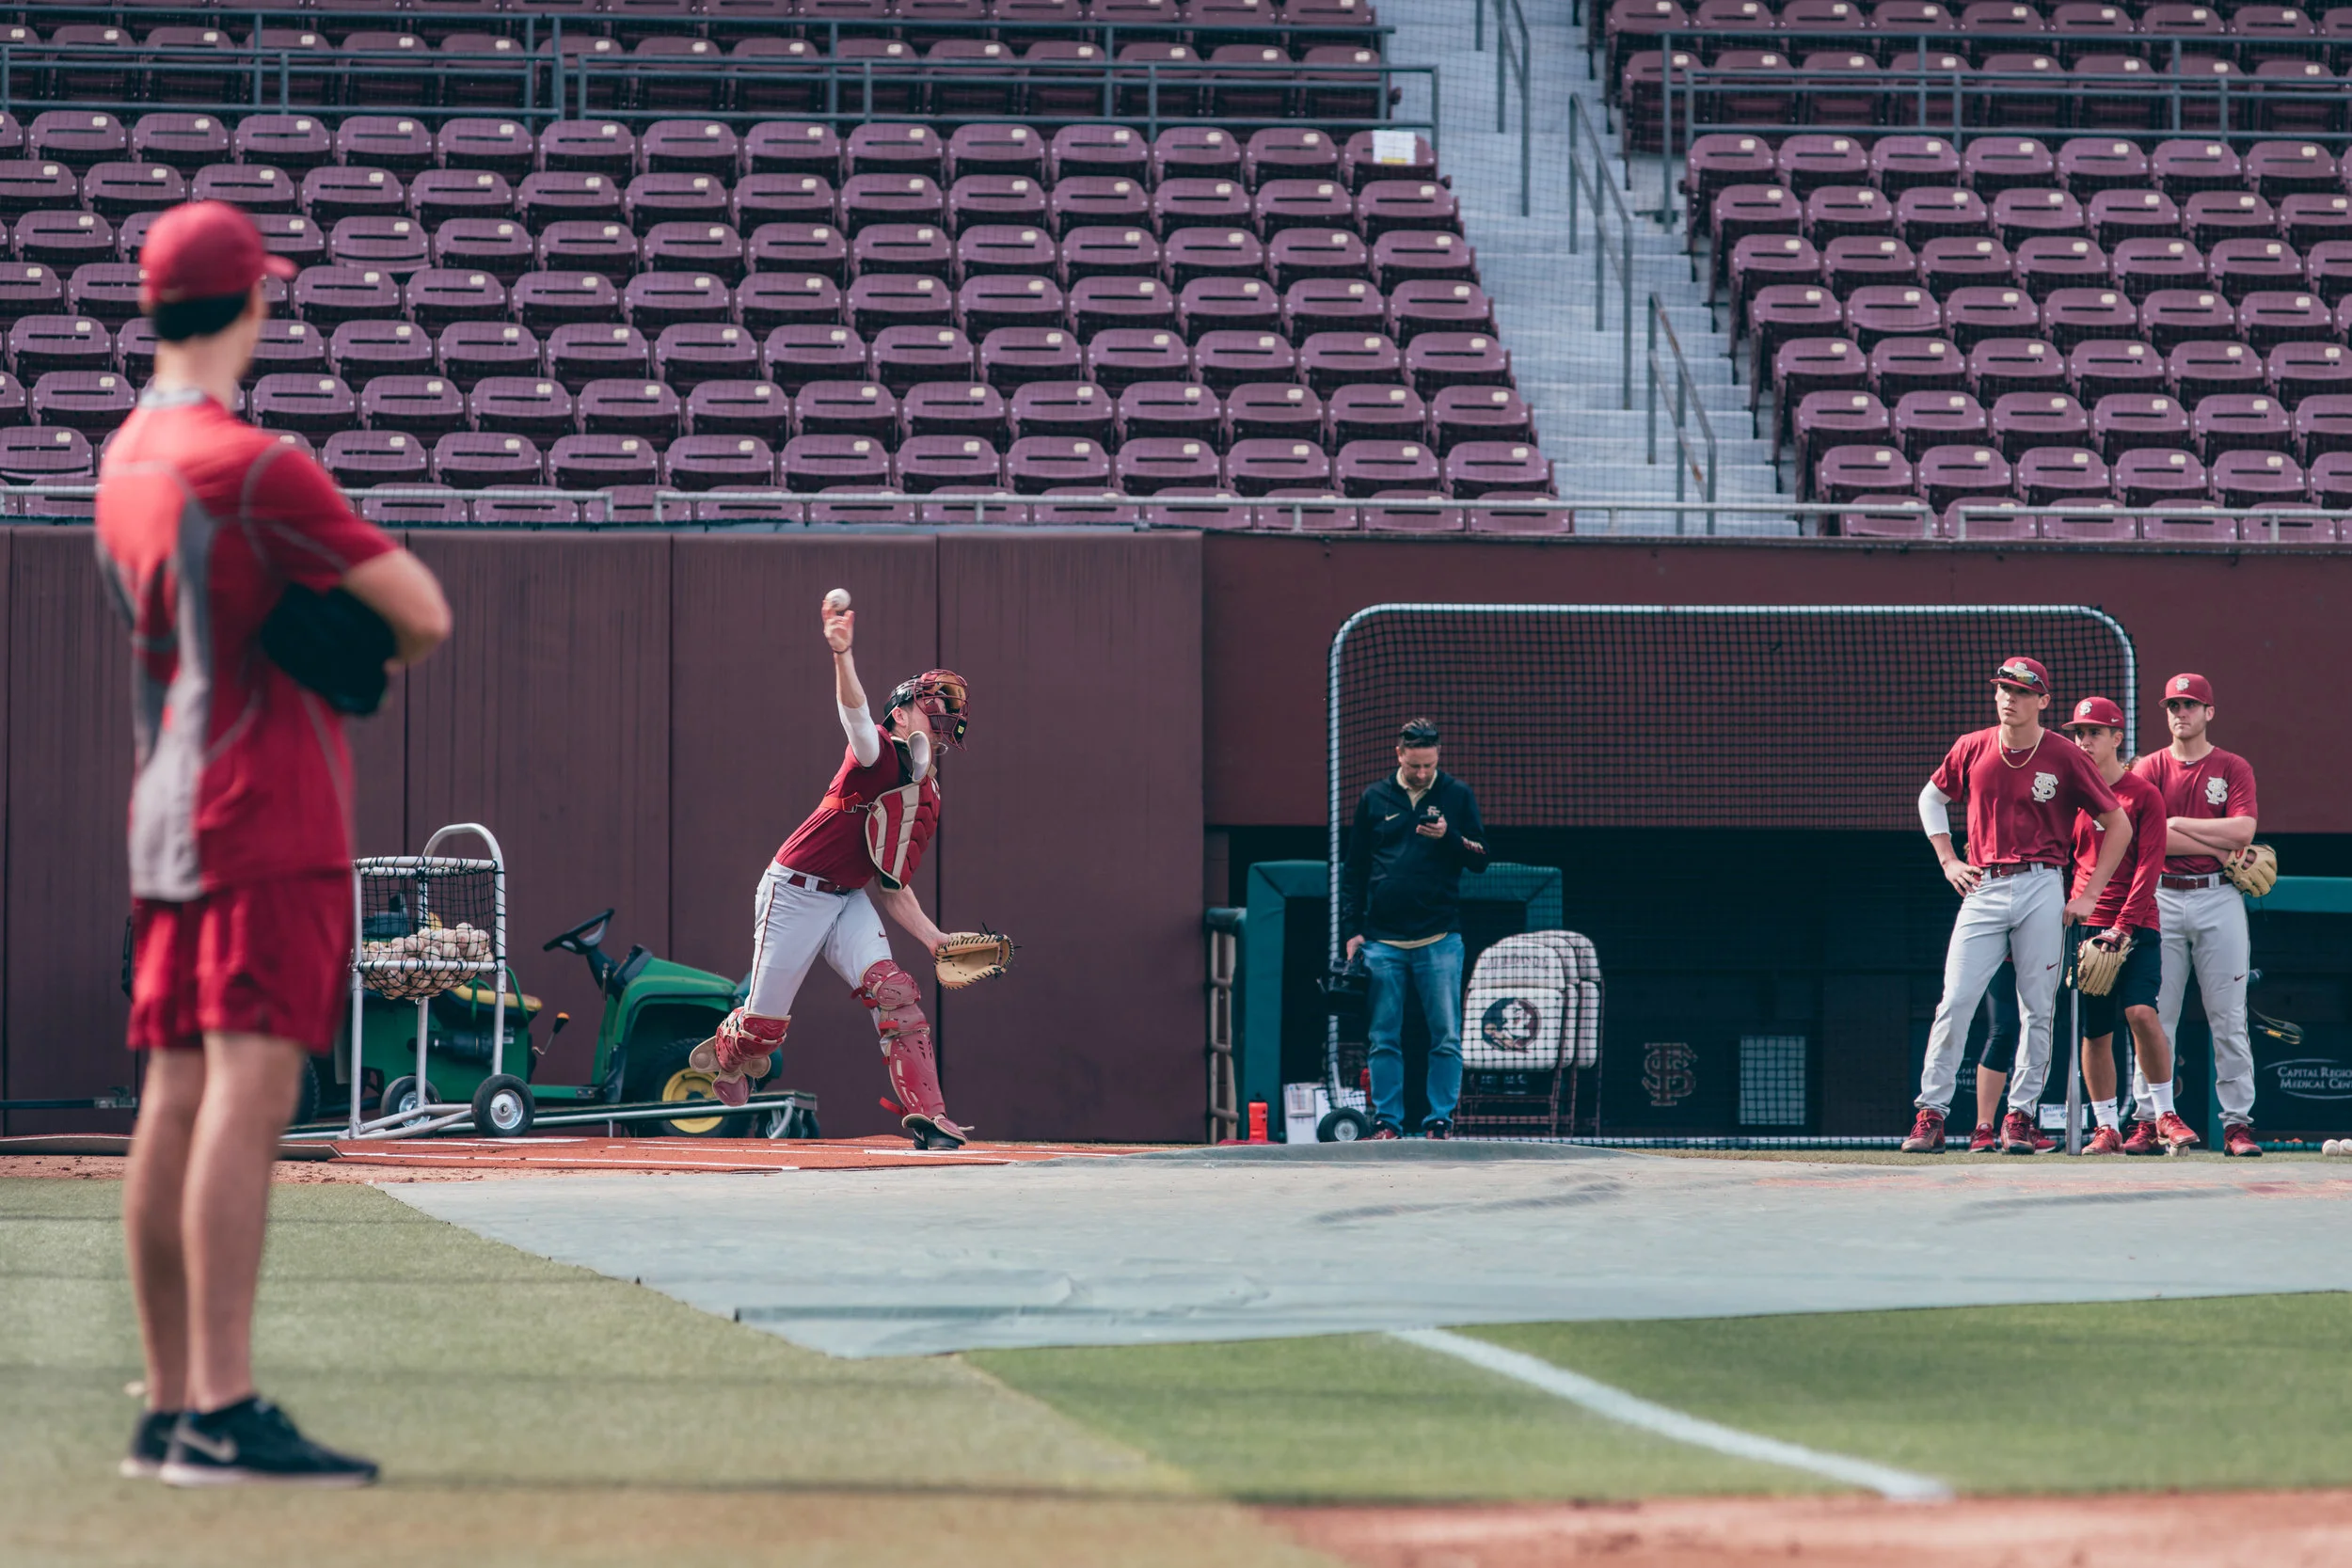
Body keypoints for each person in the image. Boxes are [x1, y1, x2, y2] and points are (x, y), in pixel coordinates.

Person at [97, 202, 451, 1486]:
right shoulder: (253, 462)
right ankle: (223, 1409)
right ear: (249, 305)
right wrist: (342, 634)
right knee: (249, 1101)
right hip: (268, 808)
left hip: (167, 807)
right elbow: (421, 613)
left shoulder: (124, 454)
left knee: (173, 1098)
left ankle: (169, 1406)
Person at [691, 594, 975, 1148]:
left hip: (845, 897)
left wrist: (935, 941)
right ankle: (732, 1043)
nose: (940, 718)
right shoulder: (879, 753)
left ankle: (930, 1116)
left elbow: (891, 888)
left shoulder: (927, 795)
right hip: (795, 890)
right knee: (764, 1035)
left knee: (895, 992)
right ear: (901, 711)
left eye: (946, 715)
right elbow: (854, 715)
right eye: (930, 707)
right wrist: (842, 655)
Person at [1902, 657, 2130, 1154]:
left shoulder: (2066, 754)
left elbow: (2119, 823)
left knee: (2037, 1009)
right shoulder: (1972, 745)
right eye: (2003, 689)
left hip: (2042, 883)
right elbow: (1930, 798)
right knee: (1955, 1001)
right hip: (1982, 883)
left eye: (2022, 692)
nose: (2009, 698)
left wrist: (2088, 895)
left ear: (2043, 701)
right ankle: (1932, 1114)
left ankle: (2019, 1117)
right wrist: (1946, 859)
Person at [2131, 673, 2265, 1157]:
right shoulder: (2148, 768)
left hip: (2218, 895)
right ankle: (2147, 1119)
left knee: (2228, 1017)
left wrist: (2177, 823)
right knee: (2153, 1016)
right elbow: (2147, 837)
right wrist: (2214, 836)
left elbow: (2244, 831)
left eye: (2189, 705)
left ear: (2209, 712)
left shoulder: (2232, 766)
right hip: (2160, 895)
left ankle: (2236, 1125)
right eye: (2173, 705)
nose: (2179, 713)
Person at [2059, 696, 2200, 1156]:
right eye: (2080, 733)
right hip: (2088, 927)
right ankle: (2105, 1127)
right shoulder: (2070, 794)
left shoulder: (2143, 794)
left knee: (2141, 1013)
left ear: (2117, 739)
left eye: (2095, 732)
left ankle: (2164, 1113)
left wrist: (2123, 926)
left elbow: (2149, 867)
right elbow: (2065, 861)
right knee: (2096, 1031)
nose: (2085, 741)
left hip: (2137, 923)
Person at [1340, 718, 1489, 1139]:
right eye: (1415, 765)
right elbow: (1354, 872)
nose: (1422, 773)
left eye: (1429, 765)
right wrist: (1352, 931)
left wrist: (1449, 836)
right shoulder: (1374, 798)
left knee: (1445, 1036)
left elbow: (1481, 857)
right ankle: (1388, 1122)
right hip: (1382, 940)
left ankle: (1439, 1120)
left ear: (1437, 757)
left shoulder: (1456, 794)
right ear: (1399, 754)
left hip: (1439, 938)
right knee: (1383, 1037)